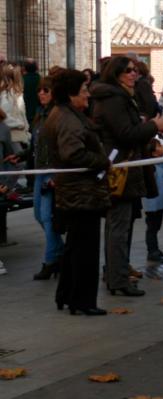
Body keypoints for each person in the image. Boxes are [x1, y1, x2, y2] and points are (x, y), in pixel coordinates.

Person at [91, 56, 163, 297]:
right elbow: (125, 133)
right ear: (116, 74)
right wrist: (154, 126)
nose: (133, 74)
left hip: (125, 167)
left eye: (135, 70)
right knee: (119, 225)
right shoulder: (114, 99)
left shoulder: (119, 96)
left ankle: (116, 274)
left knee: (120, 225)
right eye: (128, 71)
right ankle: (118, 279)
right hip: (121, 169)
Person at [45, 69, 111, 315]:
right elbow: (73, 154)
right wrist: (101, 160)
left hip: (74, 191)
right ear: (71, 94)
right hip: (81, 193)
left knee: (75, 246)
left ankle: (66, 295)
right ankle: (82, 302)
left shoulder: (63, 114)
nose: (87, 95)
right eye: (84, 91)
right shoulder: (68, 119)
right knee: (85, 249)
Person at [32, 76, 64, 280]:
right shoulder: (40, 114)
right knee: (38, 215)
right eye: (40, 90)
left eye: (46, 90)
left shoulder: (57, 115)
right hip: (38, 170)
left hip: (51, 171)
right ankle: (61, 251)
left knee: (47, 217)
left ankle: (51, 260)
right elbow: (37, 142)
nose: (42, 93)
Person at [142, 138, 163, 263]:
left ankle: (155, 249)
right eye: (159, 145)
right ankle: (152, 251)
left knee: (156, 226)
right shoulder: (151, 167)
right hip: (152, 203)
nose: (162, 147)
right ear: (153, 152)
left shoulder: (162, 161)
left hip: (160, 202)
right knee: (152, 227)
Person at [23, 59, 41, 126]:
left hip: (26, 111)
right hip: (38, 111)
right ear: (36, 67)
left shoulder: (21, 80)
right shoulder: (41, 79)